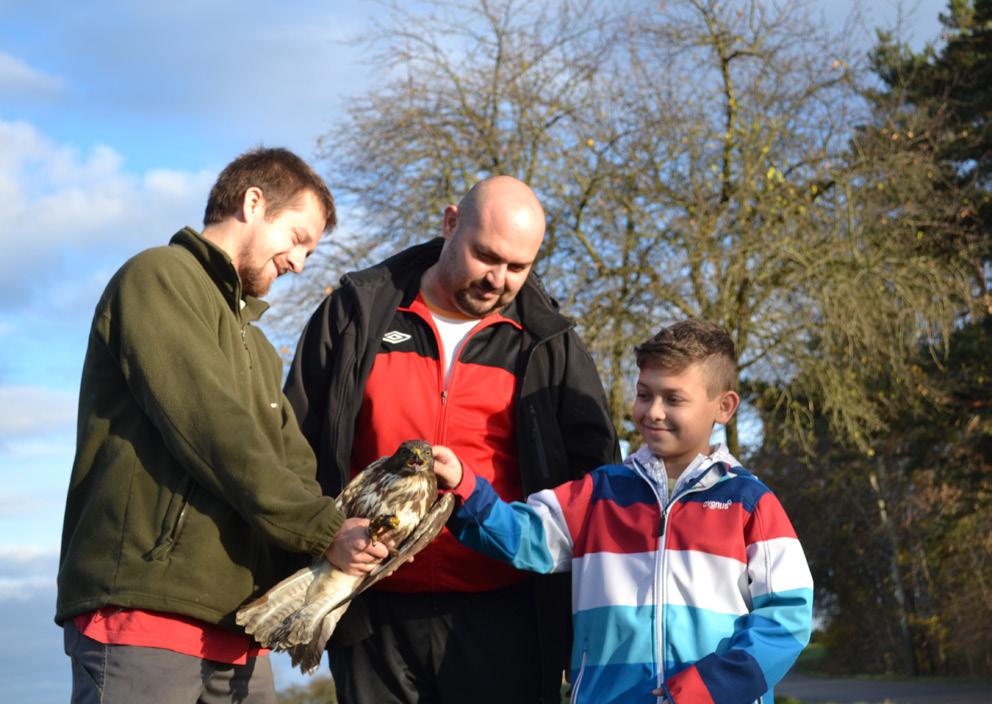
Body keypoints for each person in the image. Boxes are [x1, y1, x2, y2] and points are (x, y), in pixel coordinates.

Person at [56, 147, 393, 704]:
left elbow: (294, 467)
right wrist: (323, 529)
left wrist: (354, 540)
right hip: (147, 610)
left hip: (239, 632)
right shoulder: (157, 278)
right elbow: (212, 427)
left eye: (310, 250)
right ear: (253, 202)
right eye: (297, 237)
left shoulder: (259, 349)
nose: (300, 262)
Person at [284, 175, 619, 703]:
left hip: (505, 617)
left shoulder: (549, 341)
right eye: (486, 256)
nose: (498, 279)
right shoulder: (357, 313)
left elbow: (595, 481)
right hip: (372, 610)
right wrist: (323, 532)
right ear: (449, 223)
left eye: (518, 267)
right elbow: (293, 447)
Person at [432, 319, 814, 704]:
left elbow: (786, 620)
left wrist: (710, 688)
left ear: (724, 406)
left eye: (673, 398)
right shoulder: (598, 493)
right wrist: (463, 485)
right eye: (645, 394)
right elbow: (523, 535)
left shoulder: (751, 503)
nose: (653, 412)